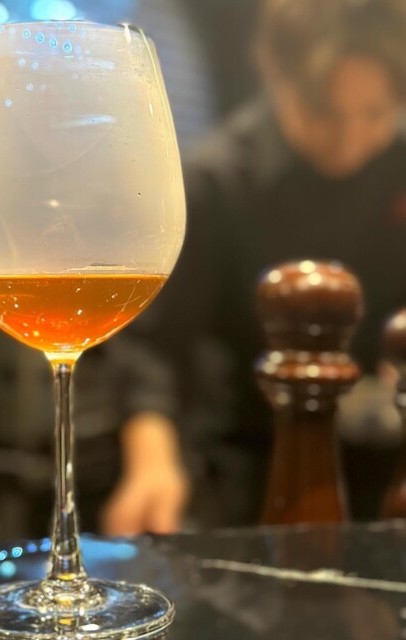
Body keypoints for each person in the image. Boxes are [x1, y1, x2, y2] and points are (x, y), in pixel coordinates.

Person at [96, 0, 406, 533]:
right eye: (324, 113)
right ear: (276, 75)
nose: (350, 140)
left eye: (375, 114)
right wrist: (152, 466)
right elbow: (152, 348)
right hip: (241, 469)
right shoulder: (213, 182)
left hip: (382, 468)